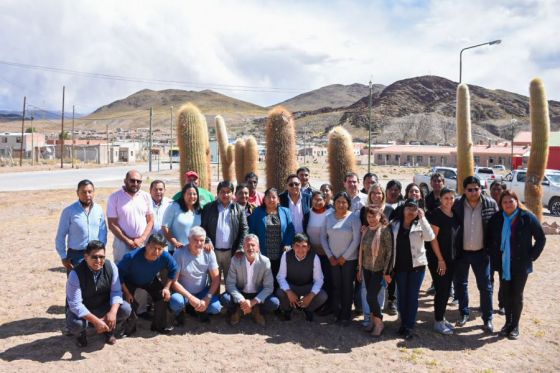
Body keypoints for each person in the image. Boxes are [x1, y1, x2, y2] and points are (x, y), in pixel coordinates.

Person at [487, 191, 545, 339]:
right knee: (506, 294)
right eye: (504, 202)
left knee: (517, 295)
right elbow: (488, 238)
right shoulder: (497, 218)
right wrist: (493, 256)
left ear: (516, 201)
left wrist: (531, 256)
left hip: (520, 264)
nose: (507, 204)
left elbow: (541, 238)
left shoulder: (527, 217)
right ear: (501, 204)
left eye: (510, 201)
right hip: (503, 263)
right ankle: (507, 324)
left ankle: (515, 326)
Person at [453, 176, 498, 333]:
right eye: (469, 189)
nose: (473, 192)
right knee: (461, 284)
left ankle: (488, 319)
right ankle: (464, 313)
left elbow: (497, 227)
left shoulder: (490, 204)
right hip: (461, 253)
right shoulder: (457, 204)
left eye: (476, 189)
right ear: (464, 190)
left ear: (481, 189)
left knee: (485, 287)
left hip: (482, 253)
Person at [66, 240, 132, 347]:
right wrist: (96, 321)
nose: (98, 260)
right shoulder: (75, 274)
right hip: (85, 308)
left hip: (103, 306)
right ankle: (81, 334)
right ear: (86, 256)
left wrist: (112, 312)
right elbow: (75, 304)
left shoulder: (111, 267)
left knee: (125, 309)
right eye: (94, 257)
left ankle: (108, 330)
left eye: (102, 257)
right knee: (76, 324)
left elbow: (116, 292)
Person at [390, 199, 435, 340]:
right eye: (408, 208)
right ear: (403, 209)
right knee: (402, 297)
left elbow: (430, 237)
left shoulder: (419, 224)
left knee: (412, 297)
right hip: (399, 267)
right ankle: (403, 324)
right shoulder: (394, 225)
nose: (411, 211)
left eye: (414, 208)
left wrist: (423, 218)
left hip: (417, 267)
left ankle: (409, 326)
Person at [117, 233, 178, 334]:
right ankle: (130, 328)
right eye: (153, 247)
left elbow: (174, 269)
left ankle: (158, 326)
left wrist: (167, 288)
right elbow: (118, 275)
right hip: (130, 281)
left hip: (150, 280)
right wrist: (127, 292)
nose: (156, 251)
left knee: (162, 296)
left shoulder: (165, 256)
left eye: (160, 249)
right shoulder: (131, 257)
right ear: (146, 245)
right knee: (129, 301)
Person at [220, 234, 280, 326]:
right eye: (247, 245)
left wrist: (253, 302)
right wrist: (242, 301)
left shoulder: (265, 261)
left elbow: (269, 287)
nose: (250, 248)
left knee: (274, 302)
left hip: (257, 293)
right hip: (241, 293)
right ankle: (238, 311)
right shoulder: (235, 260)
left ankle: (257, 311)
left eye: (253, 245)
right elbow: (230, 284)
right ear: (243, 247)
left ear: (258, 248)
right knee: (224, 298)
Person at [320, 191, 361, 326]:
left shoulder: (354, 218)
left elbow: (356, 240)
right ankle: (336, 312)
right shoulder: (328, 217)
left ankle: (346, 314)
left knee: (347, 286)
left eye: (344, 202)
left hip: (348, 260)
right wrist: (330, 256)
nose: (341, 205)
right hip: (333, 259)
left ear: (348, 204)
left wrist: (344, 256)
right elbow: (323, 238)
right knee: (336, 286)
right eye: (338, 202)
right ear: (334, 203)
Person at [357, 182, 394, 326]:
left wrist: (388, 269)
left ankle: (378, 317)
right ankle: (368, 316)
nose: (376, 196)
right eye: (373, 193)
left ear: (383, 195)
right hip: (366, 259)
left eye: (379, 193)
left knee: (379, 291)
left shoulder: (390, 209)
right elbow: (364, 229)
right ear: (369, 195)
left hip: (382, 261)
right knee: (366, 290)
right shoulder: (364, 210)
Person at [169, 226, 222, 322]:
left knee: (216, 307)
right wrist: (190, 297)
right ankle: (180, 312)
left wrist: (207, 298)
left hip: (201, 292)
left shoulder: (209, 253)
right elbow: (174, 282)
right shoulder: (179, 253)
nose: (199, 243)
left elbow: (216, 279)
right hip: (183, 293)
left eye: (201, 240)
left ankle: (199, 309)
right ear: (189, 239)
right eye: (195, 240)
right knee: (175, 301)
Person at [201, 180, 248, 283]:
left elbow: (244, 229)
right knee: (213, 282)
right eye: (222, 191)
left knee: (230, 283)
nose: (225, 195)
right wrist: (207, 241)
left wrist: (240, 247)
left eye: (228, 192)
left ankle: (228, 299)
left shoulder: (239, 209)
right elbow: (203, 227)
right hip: (213, 252)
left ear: (232, 193)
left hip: (231, 253)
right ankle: (214, 299)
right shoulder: (209, 208)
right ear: (218, 193)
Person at [427, 187, 459, 335]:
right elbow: (433, 239)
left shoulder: (454, 214)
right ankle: (438, 322)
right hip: (439, 259)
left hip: (451, 258)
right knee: (441, 289)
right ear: (440, 199)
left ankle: (441, 317)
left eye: (451, 198)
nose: (449, 201)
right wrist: (440, 259)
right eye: (446, 198)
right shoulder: (436, 214)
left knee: (446, 290)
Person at [55, 179, 107, 272]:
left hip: (95, 253)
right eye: (83, 192)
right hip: (76, 255)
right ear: (77, 193)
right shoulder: (69, 211)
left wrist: (101, 250)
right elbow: (60, 236)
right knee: (76, 285)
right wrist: (63, 257)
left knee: (95, 284)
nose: (87, 195)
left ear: (93, 192)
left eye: (90, 192)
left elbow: (103, 231)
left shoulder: (98, 209)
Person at [276, 233, 328, 322]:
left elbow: (319, 280)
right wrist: (289, 291)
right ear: (292, 246)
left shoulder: (314, 257)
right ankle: (288, 310)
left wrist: (310, 296)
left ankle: (308, 309)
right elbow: (281, 277)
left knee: (322, 296)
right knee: (280, 292)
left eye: (304, 246)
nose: (300, 249)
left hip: (307, 286)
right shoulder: (286, 255)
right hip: (291, 285)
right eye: (297, 246)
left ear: (308, 247)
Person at [107, 170, 154, 263]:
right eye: (132, 180)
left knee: (142, 271)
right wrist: (127, 240)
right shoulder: (114, 197)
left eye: (138, 181)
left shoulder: (146, 196)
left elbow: (150, 220)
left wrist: (142, 239)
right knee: (121, 272)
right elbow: (112, 223)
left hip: (142, 243)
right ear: (125, 181)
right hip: (122, 244)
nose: (135, 183)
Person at [248, 188, 295, 281]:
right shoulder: (257, 212)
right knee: (265, 279)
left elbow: (290, 230)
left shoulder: (285, 211)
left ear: (278, 199)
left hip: (281, 252)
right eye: (268, 197)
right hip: (263, 252)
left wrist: (287, 244)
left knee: (279, 278)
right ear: (264, 199)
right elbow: (252, 230)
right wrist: (255, 247)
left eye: (274, 197)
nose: (271, 199)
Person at [305, 190, 333, 314]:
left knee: (328, 279)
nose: (317, 202)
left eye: (320, 199)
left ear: (325, 200)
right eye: (315, 200)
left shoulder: (331, 213)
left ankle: (328, 305)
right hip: (313, 253)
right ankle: (314, 304)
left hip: (328, 253)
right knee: (316, 279)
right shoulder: (308, 214)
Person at [162, 182, 202, 254]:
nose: (192, 196)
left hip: (194, 250)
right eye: (189, 194)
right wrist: (175, 242)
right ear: (183, 195)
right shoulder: (173, 206)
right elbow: (165, 227)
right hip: (177, 250)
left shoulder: (199, 210)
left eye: (194, 194)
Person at [489, 180, 508, 314]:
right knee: (488, 280)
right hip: (489, 250)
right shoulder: (486, 205)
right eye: (493, 189)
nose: (496, 191)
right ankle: (487, 304)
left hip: (504, 251)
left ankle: (503, 304)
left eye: (499, 189)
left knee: (504, 279)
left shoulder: (507, 208)